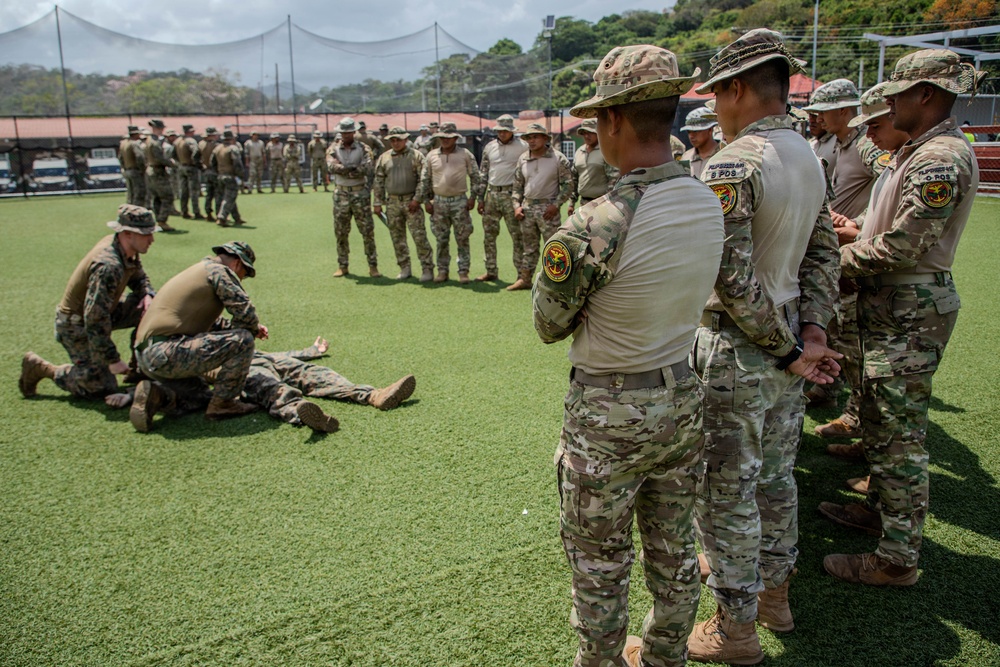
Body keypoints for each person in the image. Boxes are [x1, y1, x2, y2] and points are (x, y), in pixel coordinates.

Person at [533, 44, 724, 667]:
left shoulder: (597, 221)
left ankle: (602, 661)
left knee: (598, 558)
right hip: (682, 395)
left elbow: (548, 324)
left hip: (609, 410)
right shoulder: (707, 198)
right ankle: (668, 656)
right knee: (673, 550)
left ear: (614, 121)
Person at [686, 29, 842, 665]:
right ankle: (775, 595)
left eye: (717, 94)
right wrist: (812, 332)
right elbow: (824, 250)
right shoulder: (805, 152)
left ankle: (736, 628)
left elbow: (730, 275)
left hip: (739, 348)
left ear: (738, 88)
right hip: (785, 343)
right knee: (776, 481)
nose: (714, 109)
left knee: (726, 491)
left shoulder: (734, 161)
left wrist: (785, 348)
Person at [820, 49, 984, 587]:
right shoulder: (917, 152)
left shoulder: (940, 158)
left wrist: (825, 263)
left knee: (899, 438)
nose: (888, 102)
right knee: (884, 422)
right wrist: (856, 230)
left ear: (928, 95)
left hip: (908, 308)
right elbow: (884, 227)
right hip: (891, 306)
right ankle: (883, 517)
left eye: (897, 93)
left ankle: (897, 560)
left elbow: (903, 248)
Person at [803, 79, 890, 441]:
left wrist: (860, 224)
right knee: (835, 326)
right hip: (834, 250)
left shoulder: (869, 146)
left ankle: (856, 414)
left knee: (855, 338)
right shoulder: (831, 145)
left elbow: (889, 187)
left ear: (843, 110)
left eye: (824, 110)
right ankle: (831, 390)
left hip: (857, 249)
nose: (818, 117)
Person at [20, 204, 159, 400]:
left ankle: (139, 366)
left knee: (153, 307)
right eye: (146, 234)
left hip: (102, 313)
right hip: (76, 324)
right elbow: (94, 318)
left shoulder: (125, 248)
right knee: (100, 385)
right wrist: (112, 359)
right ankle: (42, 369)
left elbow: (139, 278)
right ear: (127, 233)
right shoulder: (109, 265)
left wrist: (147, 295)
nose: (152, 239)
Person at [131, 241, 266, 429]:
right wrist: (252, 328)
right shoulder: (220, 271)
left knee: (201, 396)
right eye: (244, 274)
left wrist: (250, 326)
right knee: (243, 340)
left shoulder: (199, 271)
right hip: (168, 351)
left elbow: (210, 323)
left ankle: (158, 396)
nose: (241, 279)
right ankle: (224, 404)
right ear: (237, 264)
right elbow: (245, 312)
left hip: (147, 356)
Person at [415, 122, 480, 284]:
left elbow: (476, 177)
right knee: (441, 238)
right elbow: (425, 180)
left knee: (462, 237)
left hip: (459, 202)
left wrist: (473, 197)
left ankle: (463, 271)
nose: (445, 140)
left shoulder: (465, 154)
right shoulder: (431, 156)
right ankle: (442, 270)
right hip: (439, 202)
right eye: (442, 137)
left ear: (455, 138)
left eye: (449, 138)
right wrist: (426, 201)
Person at [512, 123, 572, 291]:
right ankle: (525, 279)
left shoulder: (558, 158)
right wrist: (517, 205)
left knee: (553, 248)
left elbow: (568, 185)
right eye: (529, 138)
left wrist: (556, 205)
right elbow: (517, 186)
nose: (532, 141)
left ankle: (554, 282)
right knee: (529, 247)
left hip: (548, 209)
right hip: (528, 208)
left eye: (535, 137)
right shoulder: (523, 159)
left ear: (545, 138)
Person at [373, 126, 434, 282]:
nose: (395, 143)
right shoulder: (384, 158)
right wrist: (377, 202)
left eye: (398, 140)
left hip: (411, 201)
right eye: (392, 140)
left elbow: (424, 179)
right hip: (392, 202)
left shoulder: (416, 156)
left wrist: (417, 199)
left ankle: (427, 268)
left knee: (419, 236)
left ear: (405, 140)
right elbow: (379, 181)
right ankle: (404, 267)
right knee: (397, 237)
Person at [475, 114, 528, 283]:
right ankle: (491, 270)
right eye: (499, 131)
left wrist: (521, 199)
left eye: (505, 131)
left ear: (512, 131)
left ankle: (521, 274)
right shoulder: (489, 147)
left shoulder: (523, 147)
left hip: (511, 195)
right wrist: (480, 198)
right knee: (489, 235)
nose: (502, 134)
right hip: (492, 194)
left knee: (517, 235)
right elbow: (483, 173)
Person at [328, 117, 380, 278]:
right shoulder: (333, 148)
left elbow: (368, 167)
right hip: (341, 193)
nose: (346, 135)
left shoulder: (363, 148)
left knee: (367, 231)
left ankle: (373, 266)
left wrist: (344, 168)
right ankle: (343, 265)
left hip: (360, 193)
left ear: (354, 132)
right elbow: (330, 166)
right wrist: (351, 168)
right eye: (343, 132)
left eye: (349, 132)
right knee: (341, 231)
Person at [567, 117, 618, 215]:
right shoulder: (579, 152)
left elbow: (613, 179)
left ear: (598, 132)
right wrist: (571, 203)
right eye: (584, 133)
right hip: (583, 203)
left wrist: (607, 202)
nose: (586, 136)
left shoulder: (605, 151)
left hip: (602, 203)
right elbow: (574, 179)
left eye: (590, 133)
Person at [144, 119, 176, 232]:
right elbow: (159, 158)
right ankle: (162, 220)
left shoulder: (148, 140)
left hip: (151, 170)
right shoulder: (155, 142)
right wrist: (172, 164)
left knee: (157, 197)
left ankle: (158, 220)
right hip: (158, 171)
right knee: (168, 196)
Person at [212, 130, 247, 227]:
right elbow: (237, 163)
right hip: (230, 176)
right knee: (229, 198)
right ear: (231, 138)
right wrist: (240, 175)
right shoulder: (232, 149)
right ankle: (222, 217)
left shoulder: (217, 148)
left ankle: (236, 217)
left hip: (220, 175)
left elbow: (213, 163)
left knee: (229, 197)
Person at [679, 107, 721, 179]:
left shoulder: (723, 153)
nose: (691, 136)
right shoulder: (686, 157)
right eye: (689, 132)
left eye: (696, 131)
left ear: (710, 130)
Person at [176, 124, 203, 219]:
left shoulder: (178, 141)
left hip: (181, 166)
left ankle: (184, 211)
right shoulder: (191, 141)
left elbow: (173, 154)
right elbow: (195, 151)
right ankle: (196, 212)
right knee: (194, 191)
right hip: (191, 167)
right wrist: (196, 162)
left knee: (183, 191)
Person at [118, 125, 147, 206]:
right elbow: (139, 157)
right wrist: (142, 169)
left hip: (127, 170)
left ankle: (129, 208)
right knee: (139, 192)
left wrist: (124, 167)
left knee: (130, 193)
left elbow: (120, 158)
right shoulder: (134, 144)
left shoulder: (123, 144)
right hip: (135, 171)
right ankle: (137, 209)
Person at [198, 127, 220, 221]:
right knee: (218, 194)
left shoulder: (200, 145)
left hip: (206, 171)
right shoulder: (216, 146)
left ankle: (208, 214)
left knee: (209, 194)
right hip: (215, 171)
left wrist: (201, 167)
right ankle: (219, 214)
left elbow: (195, 158)